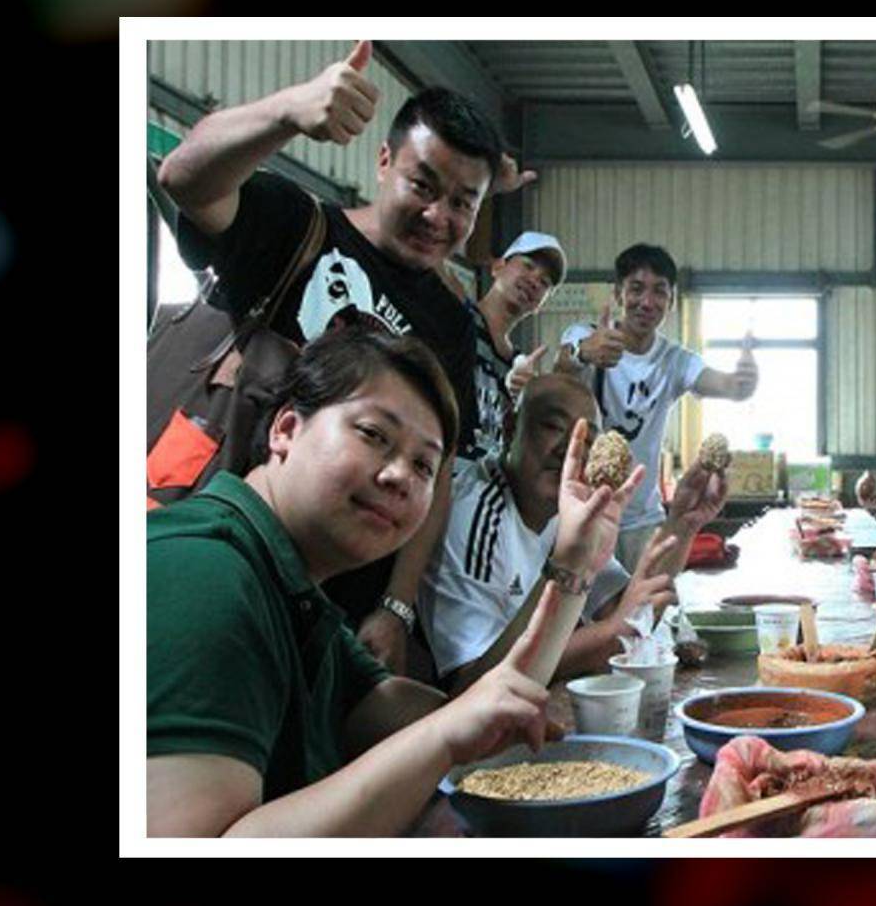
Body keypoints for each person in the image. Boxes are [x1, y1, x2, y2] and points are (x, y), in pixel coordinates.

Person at [145, 328, 629, 837]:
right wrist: (444, 737)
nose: (401, 476)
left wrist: (573, 565)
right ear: (286, 428)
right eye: (374, 435)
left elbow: (476, 717)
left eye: (424, 464)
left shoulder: (297, 593)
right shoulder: (206, 575)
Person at [156, 39, 536, 675]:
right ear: (384, 161)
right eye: (423, 183)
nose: (438, 214)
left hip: (332, 616)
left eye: (463, 202)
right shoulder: (298, 228)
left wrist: (396, 605)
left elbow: (436, 469)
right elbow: (184, 177)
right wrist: (288, 112)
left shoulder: (449, 318)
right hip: (214, 566)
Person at [419, 371, 729, 694]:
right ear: (510, 428)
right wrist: (610, 635)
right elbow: (470, 684)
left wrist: (682, 522)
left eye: (587, 440)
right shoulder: (473, 516)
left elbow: (630, 610)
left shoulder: (567, 509)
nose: (569, 450)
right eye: (553, 427)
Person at [557, 243, 757, 572]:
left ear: (672, 301)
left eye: (659, 292)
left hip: (642, 520)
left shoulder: (674, 360)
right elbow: (560, 367)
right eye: (636, 289)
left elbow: (722, 384)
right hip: (581, 513)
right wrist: (583, 353)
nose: (647, 302)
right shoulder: (587, 336)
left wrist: (742, 383)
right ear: (618, 294)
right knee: (578, 616)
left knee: (647, 612)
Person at [460, 231, 566, 463]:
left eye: (545, 282)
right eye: (528, 265)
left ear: (540, 304)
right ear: (497, 267)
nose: (535, 280)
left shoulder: (520, 367)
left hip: (486, 489)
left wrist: (523, 404)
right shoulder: (457, 320)